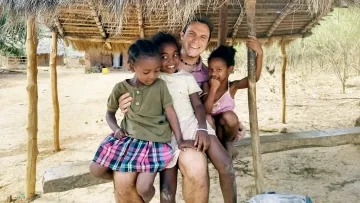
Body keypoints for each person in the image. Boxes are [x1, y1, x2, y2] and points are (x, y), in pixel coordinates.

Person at [89, 39, 192, 203]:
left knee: (143, 187)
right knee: (95, 169)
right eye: (146, 72)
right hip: (128, 139)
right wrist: (116, 129)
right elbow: (109, 114)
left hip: (155, 142)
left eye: (157, 70)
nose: (152, 76)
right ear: (132, 68)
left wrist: (179, 139)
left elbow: (170, 113)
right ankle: (123, 183)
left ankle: (144, 199)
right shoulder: (121, 88)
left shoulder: (160, 86)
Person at [150, 32, 237, 203]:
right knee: (167, 191)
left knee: (226, 165)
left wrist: (203, 129)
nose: (171, 60)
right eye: (164, 56)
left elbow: (198, 105)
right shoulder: (153, 79)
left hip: (193, 125)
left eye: (175, 55)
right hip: (166, 133)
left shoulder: (186, 77)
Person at [202, 40, 263, 159]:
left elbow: (254, 78)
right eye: (210, 69)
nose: (214, 73)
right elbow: (206, 111)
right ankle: (215, 148)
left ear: (229, 69)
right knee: (207, 118)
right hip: (211, 130)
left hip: (225, 131)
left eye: (219, 70)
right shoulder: (206, 85)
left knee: (230, 116)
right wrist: (213, 90)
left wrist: (259, 54)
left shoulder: (233, 87)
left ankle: (227, 143)